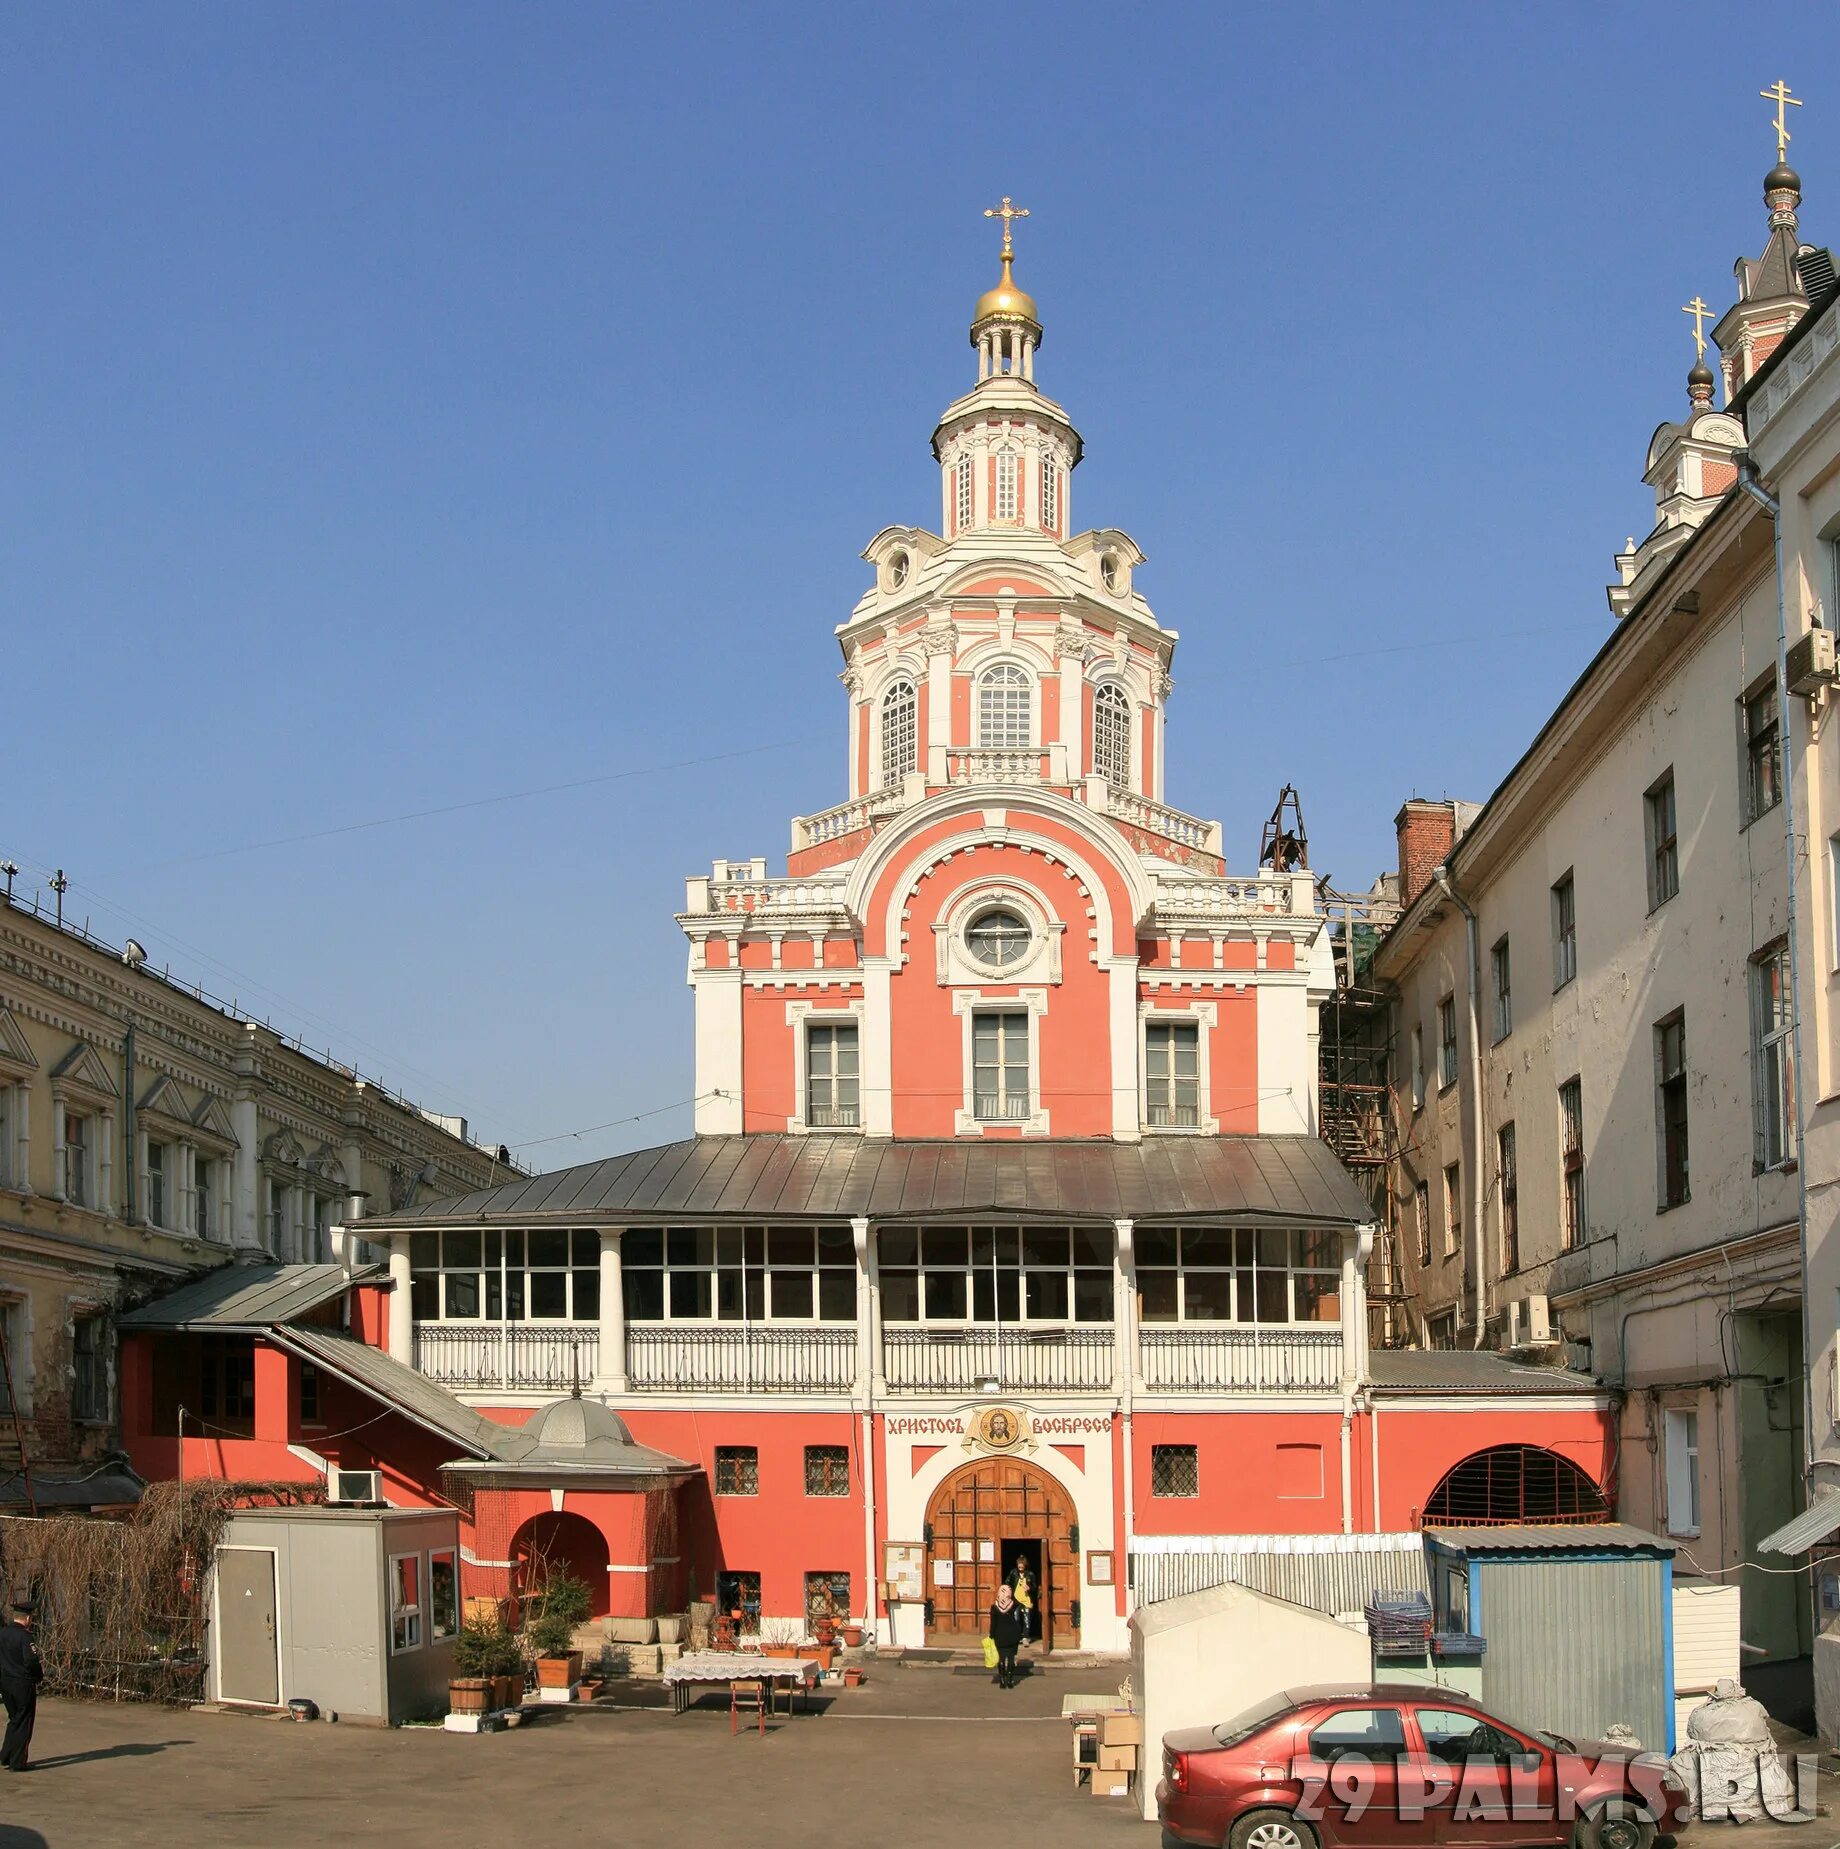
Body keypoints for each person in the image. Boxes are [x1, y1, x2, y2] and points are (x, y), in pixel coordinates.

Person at [0, 1597, 41, 1773]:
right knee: (24, 1721)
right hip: (22, 1683)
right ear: (27, 1618)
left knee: (14, 1719)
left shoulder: (2, 1633)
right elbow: (31, 1661)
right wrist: (38, 1676)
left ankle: (6, 1756)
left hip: (5, 1682)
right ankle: (18, 1762)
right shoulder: (25, 1636)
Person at [987, 1583, 1026, 1690]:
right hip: (1013, 1635)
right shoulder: (1015, 1605)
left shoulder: (994, 1606)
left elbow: (993, 1623)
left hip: (1000, 1636)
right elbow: (1019, 1621)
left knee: (1001, 1658)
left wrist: (991, 1635)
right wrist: (1020, 1634)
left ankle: (1002, 1681)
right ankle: (1009, 1680)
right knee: (1011, 1658)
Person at [1007, 1554, 1039, 1642]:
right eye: (1019, 1564)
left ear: (1025, 1565)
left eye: (1022, 1564)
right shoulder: (1013, 1573)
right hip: (1016, 1599)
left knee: (1026, 1619)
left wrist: (1030, 1588)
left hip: (1027, 1600)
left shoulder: (1030, 1574)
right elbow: (1007, 1582)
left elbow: (1035, 1586)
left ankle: (1026, 1637)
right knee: (1016, 1618)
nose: (1020, 1566)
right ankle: (1017, 1636)